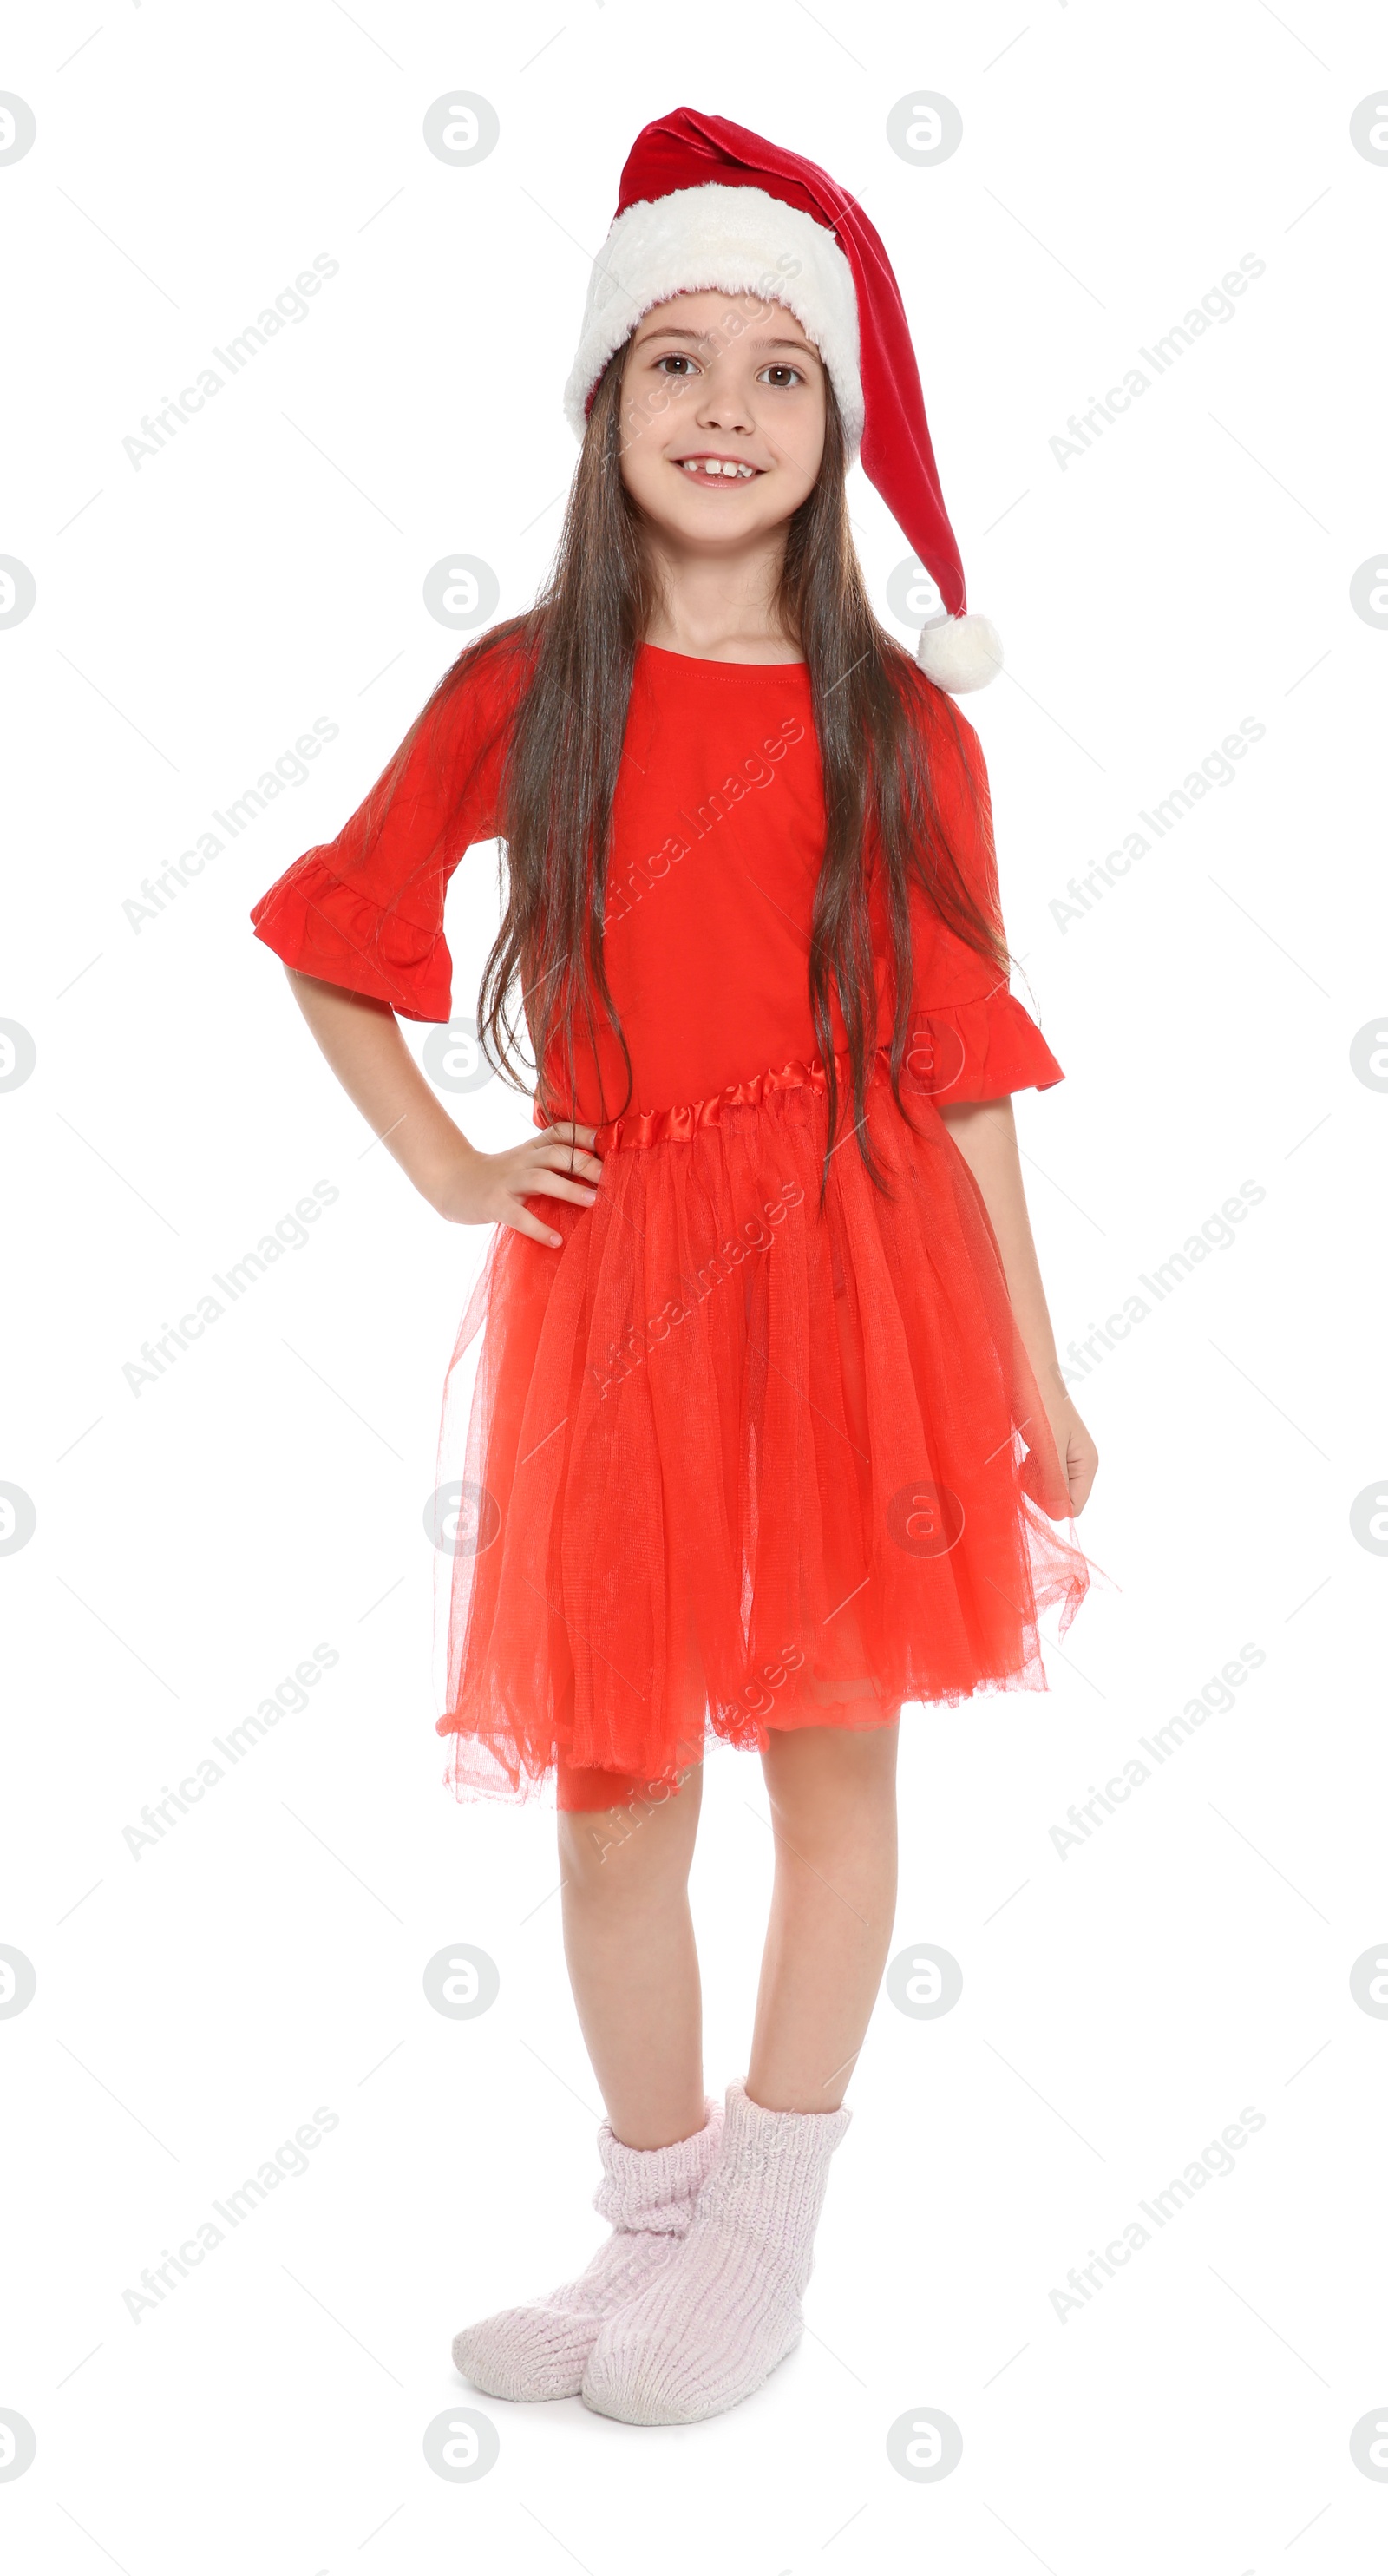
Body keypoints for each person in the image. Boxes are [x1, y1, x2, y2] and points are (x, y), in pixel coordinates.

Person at [250, 108, 1097, 2428]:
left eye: (777, 372)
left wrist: (1035, 1361)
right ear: (606, 406)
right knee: (616, 1786)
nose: (724, 412)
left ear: (830, 425)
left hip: (855, 1274)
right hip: (622, 1284)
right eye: (674, 364)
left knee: (832, 1765)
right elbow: (341, 932)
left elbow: (961, 1059)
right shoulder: (534, 687)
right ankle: (648, 2216)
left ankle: (771, 2235)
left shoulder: (900, 722)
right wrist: (447, 1162)